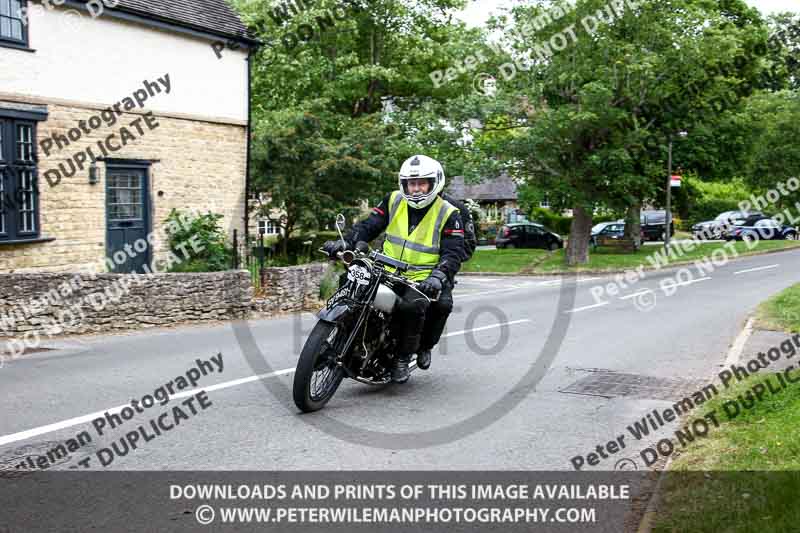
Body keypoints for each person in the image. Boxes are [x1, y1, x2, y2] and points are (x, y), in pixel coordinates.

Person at [323, 155, 466, 383]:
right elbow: (368, 226)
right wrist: (346, 243)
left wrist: (438, 276)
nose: (416, 189)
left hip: (420, 277)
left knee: (413, 307)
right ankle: (344, 335)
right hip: (384, 267)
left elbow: (453, 251)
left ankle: (403, 357)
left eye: (422, 183)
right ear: (404, 184)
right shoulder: (393, 200)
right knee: (350, 283)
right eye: (412, 184)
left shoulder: (449, 213)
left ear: (433, 183)